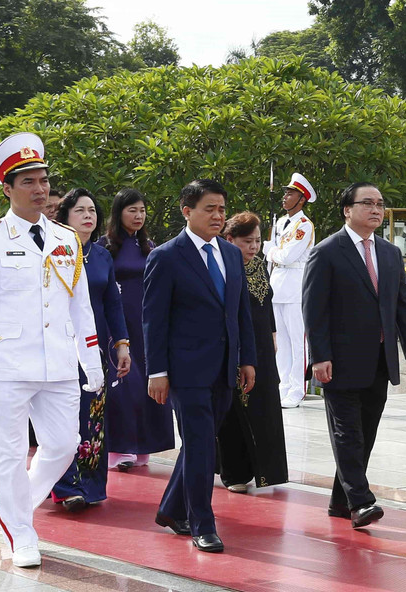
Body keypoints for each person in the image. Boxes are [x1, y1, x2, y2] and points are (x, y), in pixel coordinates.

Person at [0, 133, 103, 568]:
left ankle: (17, 508)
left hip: (60, 363)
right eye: (28, 181)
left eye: (44, 179)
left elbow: (80, 305)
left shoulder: (67, 239)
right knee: (7, 453)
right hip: (7, 367)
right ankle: (20, 534)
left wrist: (92, 359)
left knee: (65, 444)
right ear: (7, 189)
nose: (40, 188)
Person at [302, 182, 406, 528]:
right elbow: (314, 311)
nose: (375, 209)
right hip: (338, 362)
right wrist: (319, 356)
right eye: (367, 203)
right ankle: (361, 502)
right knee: (347, 433)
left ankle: (340, 501)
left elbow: (402, 304)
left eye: (380, 204)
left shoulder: (388, 253)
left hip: (379, 361)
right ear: (347, 209)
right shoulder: (326, 252)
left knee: (366, 434)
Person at [143, 179, 256, 553]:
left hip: (224, 369)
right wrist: (157, 372)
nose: (218, 216)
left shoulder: (229, 253)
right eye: (210, 208)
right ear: (186, 210)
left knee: (200, 444)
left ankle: (172, 509)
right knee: (203, 445)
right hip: (184, 371)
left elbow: (241, 313)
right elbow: (153, 320)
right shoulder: (166, 256)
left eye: (222, 209)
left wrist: (247, 360)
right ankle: (202, 524)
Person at [49, 189, 131, 511]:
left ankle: (91, 487)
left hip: (93, 350)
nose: (88, 216)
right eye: (80, 210)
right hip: (56, 348)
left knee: (91, 419)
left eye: (93, 211)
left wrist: (121, 344)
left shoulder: (101, 256)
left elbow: (113, 303)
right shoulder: (52, 253)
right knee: (62, 419)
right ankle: (64, 486)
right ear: (65, 216)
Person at [102, 189, 174, 471]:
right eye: (132, 210)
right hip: (118, 326)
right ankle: (118, 448)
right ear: (119, 212)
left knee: (150, 385)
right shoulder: (105, 247)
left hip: (146, 325)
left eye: (142, 210)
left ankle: (144, 447)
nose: (138, 216)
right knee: (123, 386)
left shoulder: (150, 247)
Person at [218, 211, 288, 493]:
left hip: (262, 346)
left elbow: (265, 302)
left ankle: (268, 472)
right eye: (247, 241)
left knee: (266, 405)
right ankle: (235, 473)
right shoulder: (223, 267)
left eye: (258, 241)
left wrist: (272, 333)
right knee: (235, 408)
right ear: (229, 239)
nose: (254, 247)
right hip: (234, 346)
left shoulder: (259, 265)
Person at [264, 173, 316, 408]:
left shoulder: (303, 225)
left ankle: (297, 389)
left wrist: (268, 250)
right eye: (285, 193)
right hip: (278, 285)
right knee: (281, 342)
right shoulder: (281, 222)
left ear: (302, 199)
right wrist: (272, 251)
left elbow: (287, 255)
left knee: (298, 341)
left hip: (296, 286)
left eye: (290, 194)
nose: (285, 197)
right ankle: (283, 386)